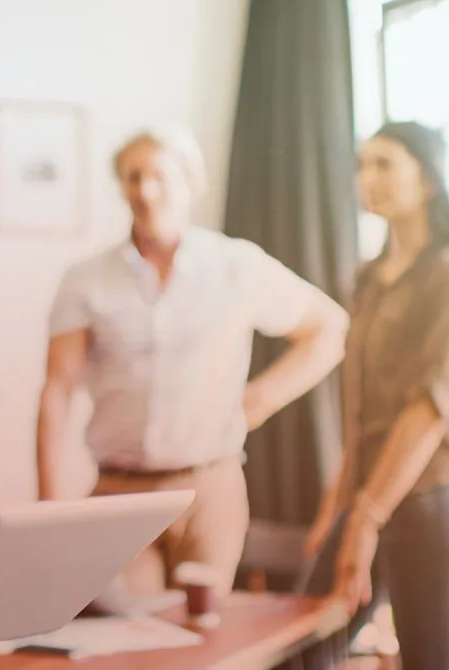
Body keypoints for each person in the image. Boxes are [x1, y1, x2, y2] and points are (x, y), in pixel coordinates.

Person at [36, 128, 349, 596]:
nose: (145, 190)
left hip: (209, 490)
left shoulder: (236, 265)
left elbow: (329, 328)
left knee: (203, 642)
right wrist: (49, 505)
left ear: (189, 182)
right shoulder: (85, 280)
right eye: (133, 177)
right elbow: (58, 389)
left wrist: (260, 399)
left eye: (159, 175)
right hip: (118, 493)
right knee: (127, 643)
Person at [300, 121, 449, 670]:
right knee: (303, 645)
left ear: (427, 180)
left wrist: (366, 516)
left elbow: (433, 404)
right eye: (363, 164)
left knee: (428, 661)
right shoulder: (368, 278)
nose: (369, 177)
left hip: (432, 497)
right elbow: (359, 409)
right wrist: (336, 507)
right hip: (368, 493)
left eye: (385, 163)